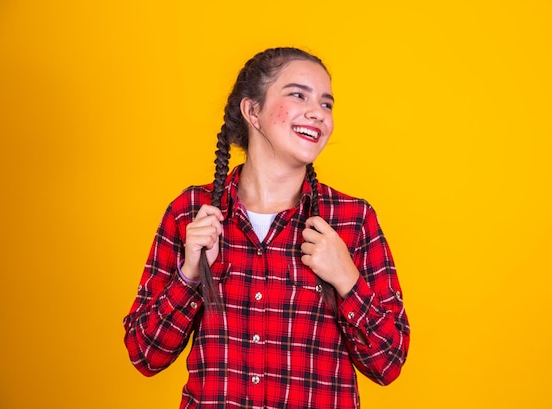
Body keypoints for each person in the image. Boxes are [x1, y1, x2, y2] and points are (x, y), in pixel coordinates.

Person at [123, 47, 410, 408]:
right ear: (252, 111)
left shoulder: (353, 219)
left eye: (326, 104)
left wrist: (346, 278)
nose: (316, 113)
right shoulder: (190, 213)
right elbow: (145, 354)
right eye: (298, 95)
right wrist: (190, 275)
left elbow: (388, 363)